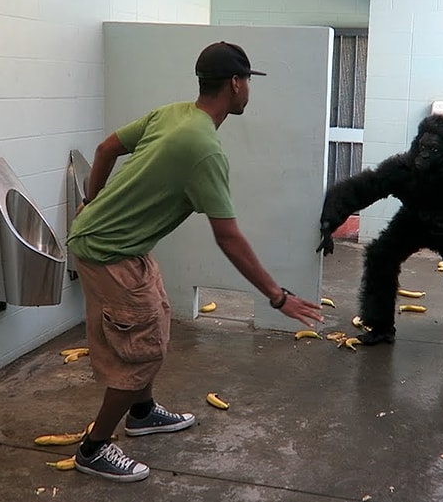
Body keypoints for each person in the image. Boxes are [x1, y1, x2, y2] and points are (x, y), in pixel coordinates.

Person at [66, 41, 324, 482]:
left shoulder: (172, 113)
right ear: (236, 84)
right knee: (138, 353)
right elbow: (228, 237)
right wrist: (277, 297)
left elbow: (107, 148)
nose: (248, 92)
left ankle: (142, 413)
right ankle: (94, 449)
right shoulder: (204, 149)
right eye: (248, 83)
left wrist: (92, 201)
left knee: (155, 321)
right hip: (107, 253)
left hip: (122, 244)